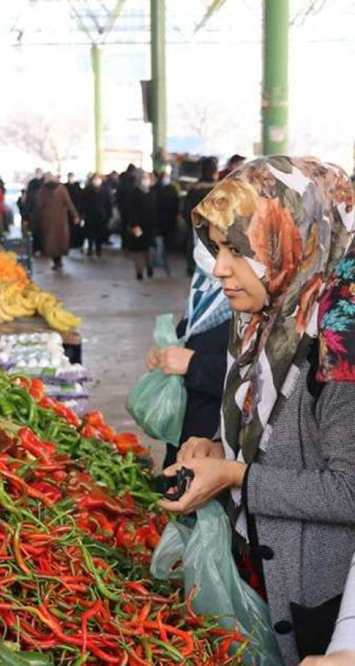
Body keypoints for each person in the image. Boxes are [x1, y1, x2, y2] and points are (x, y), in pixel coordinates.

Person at [158, 157, 355, 664]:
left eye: (238, 250)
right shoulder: (259, 322)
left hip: (316, 602)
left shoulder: (339, 348)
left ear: (289, 241)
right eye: (218, 249)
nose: (219, 267)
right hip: (258, 573)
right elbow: (260, 432)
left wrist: (233, 477)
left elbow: (348, 491)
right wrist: (216, 446)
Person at [145, 240, 232, 467]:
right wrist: (164, 354)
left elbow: (252, 376)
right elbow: (192, 336)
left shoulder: (254, 300)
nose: (220, 265)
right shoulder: (205, 288)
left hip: (215, 447)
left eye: (228, 247)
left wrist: (193, 364)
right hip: (186, 434)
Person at [182, 157, 220, 276]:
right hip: (216, 227)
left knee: (194, 247)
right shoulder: (219, 189)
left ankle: (193, 270)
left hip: (196, 226)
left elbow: (186, 210)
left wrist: (192, 223)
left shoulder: (193, 189)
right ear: (214, 171)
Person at [33, 173, 78, 270]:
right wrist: (75, 215)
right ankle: (59, 260)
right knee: (60, 239)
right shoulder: (61, 189)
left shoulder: (42, 191)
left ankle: (56, 261)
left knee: (51, 241)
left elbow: (38, 206)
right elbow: (69, 203)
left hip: (47, 219)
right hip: (60, 219)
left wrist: (37, 218)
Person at [125, 171, 156, 280]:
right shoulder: (134, 194)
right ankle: (139, 271)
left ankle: (150, 267)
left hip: (151, 226)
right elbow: (131, 211)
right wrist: (134, 225)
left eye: (147, 178)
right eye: (143, 178)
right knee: (138, 251)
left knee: (149, 249)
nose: (145, 180)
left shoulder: (153, 193)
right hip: (138, 226)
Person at [153, 169, 180, 275]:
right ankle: (159, 259)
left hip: (169, 220)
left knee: (166, 241)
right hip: (158, 220)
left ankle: (162, 258)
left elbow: (176, 203)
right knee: (159, 240)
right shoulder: (156, 189)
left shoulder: (172, 189)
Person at [81, 174, 111, 257]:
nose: (96, 181)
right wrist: (83, 213)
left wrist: (108, 214)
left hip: (101, 215)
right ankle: (90, 248)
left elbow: (108, 203)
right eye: (95, 179)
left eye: (98, 179)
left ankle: (98, 249)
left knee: (99, 234)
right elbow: (83, 202)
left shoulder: (105, 191)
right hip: (90, 215)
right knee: (90, 233)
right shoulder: (87, 190)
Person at [24, 168, 45, 252]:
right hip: (33, 212)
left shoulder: (45, 183)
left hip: (43, 212)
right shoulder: (32, 183)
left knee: (43, 232)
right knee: (34, 232)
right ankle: (35, 248)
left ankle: (42, 248)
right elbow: (28, 199)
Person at [65, 173, 84, 250]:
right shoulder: (65, 187)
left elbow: (81, 199)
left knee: (76, 227)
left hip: (77, 209)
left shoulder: (77, 187)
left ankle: (76, 243)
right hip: (67, 211)